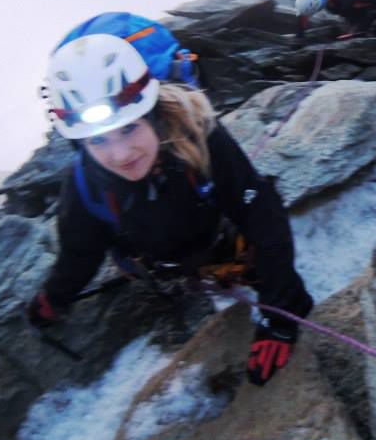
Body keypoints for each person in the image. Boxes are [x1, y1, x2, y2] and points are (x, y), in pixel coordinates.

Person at [26, 32, 313, 386]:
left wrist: (280, 313)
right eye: (98, 140)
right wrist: (54, 298)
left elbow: (260, 211)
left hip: (214, 240)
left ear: (153, 115)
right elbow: (79, 254)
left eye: (129, 128)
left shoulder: (198, 134)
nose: (120, 154)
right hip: (158, 261)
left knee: (255, 256)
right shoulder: (85, 187)